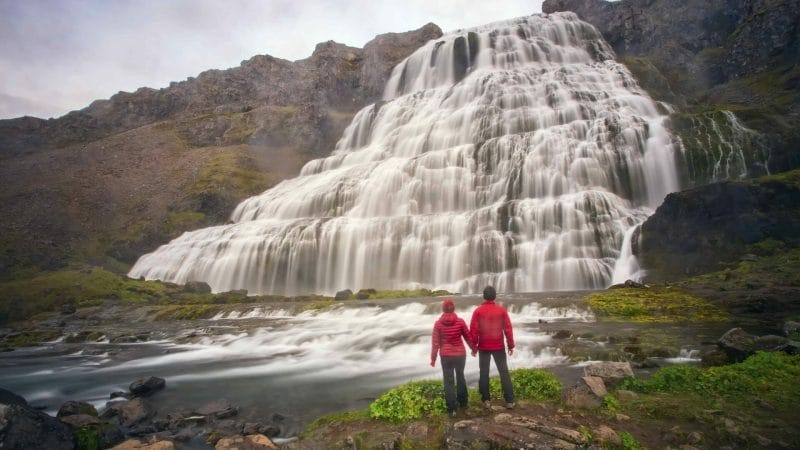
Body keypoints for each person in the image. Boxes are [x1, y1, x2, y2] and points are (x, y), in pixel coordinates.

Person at [470, 285, 515, 409]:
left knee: (484, 373)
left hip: (484, 347)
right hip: (498, 346)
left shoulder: (477, 311)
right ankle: (509, 400)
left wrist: (473, 347)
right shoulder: (501, 310)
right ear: (494, 296)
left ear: (484, 296)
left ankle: (486, 400)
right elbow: (508, 329)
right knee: (504, 372)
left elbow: (473, 331)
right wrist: (510, 345)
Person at [430, 298, 475, 417]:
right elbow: (468, 337)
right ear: (453, 308)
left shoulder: (438, 324)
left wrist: (433, 359)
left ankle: (452, 409)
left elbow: (435, 343)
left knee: (448, 381)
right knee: (460, 377)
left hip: (446, 356)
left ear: (443, 309)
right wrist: (473, 349)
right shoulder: (460, 321)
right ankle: (463, 403)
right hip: (460, 354)